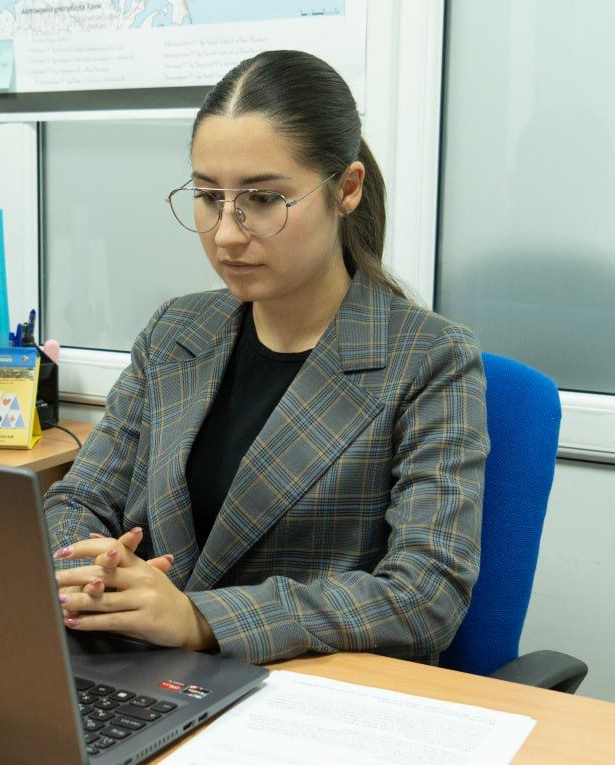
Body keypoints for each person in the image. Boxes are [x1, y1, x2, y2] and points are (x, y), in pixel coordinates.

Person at [44, 50, 489, 666]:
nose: (227, 233)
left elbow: (424, 596)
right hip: (144, 669)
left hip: (306, 694)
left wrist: (199, 618)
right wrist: (95, 568)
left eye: (261, 199)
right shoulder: (176, 331)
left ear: (348, 188)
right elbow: (76, 501)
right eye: (208, 196)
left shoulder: (429, 360)